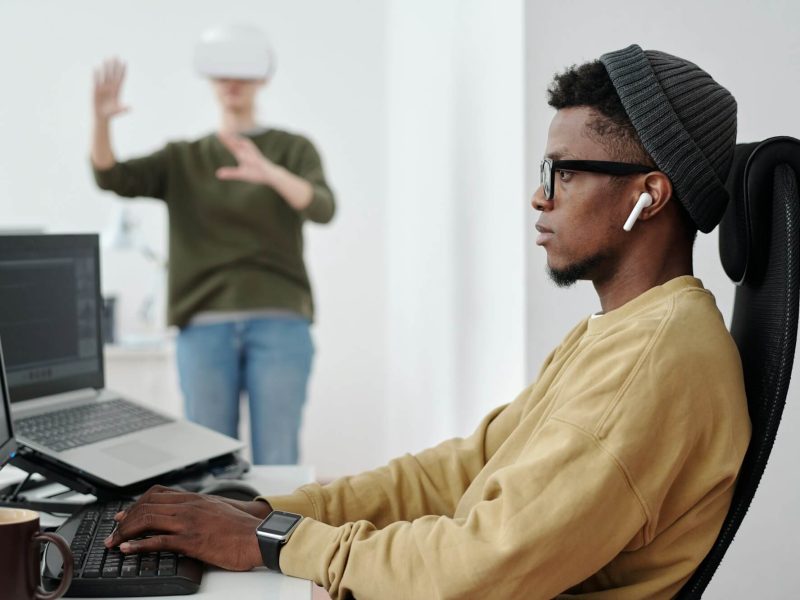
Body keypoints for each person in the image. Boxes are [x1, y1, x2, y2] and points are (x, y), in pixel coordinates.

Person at [104, 44, 750, 599]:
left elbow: (475, 570)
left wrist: (274, 540)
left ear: (649, 194)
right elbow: (463, 470)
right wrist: (271, 511)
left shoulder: (653, 362)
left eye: (566, 171)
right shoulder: (621, 330)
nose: (540, 195)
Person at [91, 25, 335, 465]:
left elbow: (321, 206)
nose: (232, 82)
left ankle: (281, 537)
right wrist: (102, 120)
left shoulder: (291, 148)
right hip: (203, 326)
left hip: (279, 321)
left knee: (278, 462)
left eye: (242, 71)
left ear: (262, 77)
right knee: (209, 466)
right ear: (210, 79)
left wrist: (270, 173)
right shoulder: (183, 158)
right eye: (222, 72)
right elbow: (112, 176)